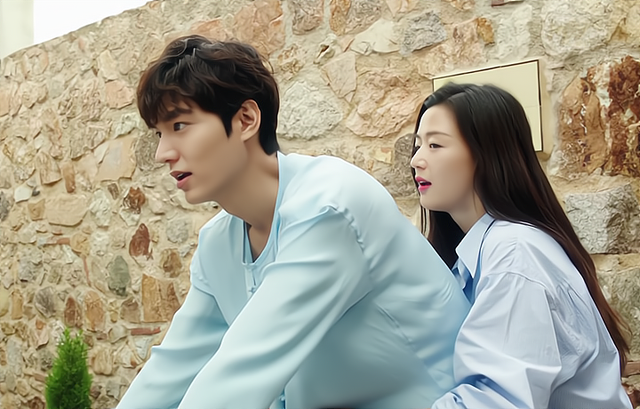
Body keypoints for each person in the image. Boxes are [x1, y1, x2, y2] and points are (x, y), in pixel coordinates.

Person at [114, 35, 470, 409]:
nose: (162, 153)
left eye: (180, 125)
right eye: (159, 133)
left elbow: (239, 375)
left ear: (246, 120)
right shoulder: (218, 243)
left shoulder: (329, 206)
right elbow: (172, 370)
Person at [410, 82, 632, 409]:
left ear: (486, 154)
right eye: (418, 145)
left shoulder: (514, 254)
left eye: (435, 145)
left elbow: (496, 400)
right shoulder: (482, 254)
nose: (417, 160)